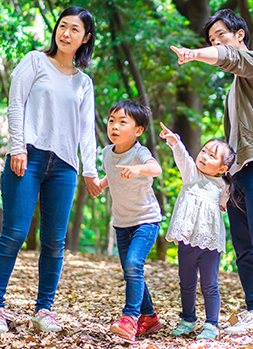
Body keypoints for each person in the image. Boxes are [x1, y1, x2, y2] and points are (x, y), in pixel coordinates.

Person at [169, 9, 253, 340]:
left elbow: (231, 59)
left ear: (239, 35)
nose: (216, 42)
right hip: (238, 172)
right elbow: (232, 141)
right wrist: (225, 183)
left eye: (221, 36)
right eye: (210, 40)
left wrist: (195, 54)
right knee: (244, 246)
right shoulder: (234, 88)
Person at [0, 6, 104, 334]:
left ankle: (44, 309)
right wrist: (17, 147)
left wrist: (90, 171)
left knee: (54, 242)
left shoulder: (84, 82)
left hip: (64, 166)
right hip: (29, 157)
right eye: (62, 26)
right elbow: (15, 103)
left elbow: (85, 131)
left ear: (86, 38)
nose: (66, 34)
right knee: (15, 234)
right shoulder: (35, 61)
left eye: (74, 30)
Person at [159, 123, 235, 341]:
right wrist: (175, 141)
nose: (204, 156)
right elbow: (183, 157)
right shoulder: (192, 175)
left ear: (222, 168)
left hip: (210, 244)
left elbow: (225, 205)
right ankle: (188, 318)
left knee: (210, 284)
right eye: (204, 151)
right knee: (187, 282)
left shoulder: (223, 186)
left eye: (212, 156)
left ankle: (212, 323)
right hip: (188, 242)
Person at [99, 100, 164, 342]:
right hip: (121, 222)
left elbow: (155, 169)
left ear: (138, 131)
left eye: (122, 122)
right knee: (130, 269)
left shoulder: (139, 152)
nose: (114, 126)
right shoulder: (107, 153)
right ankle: (150, 318)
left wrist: (138, 169)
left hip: (146, 221)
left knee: (133, 264)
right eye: (111, 121)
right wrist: (100, 185)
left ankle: (130, 318)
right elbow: (111, 174)